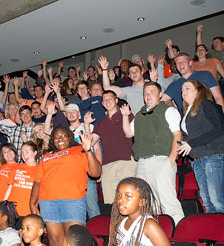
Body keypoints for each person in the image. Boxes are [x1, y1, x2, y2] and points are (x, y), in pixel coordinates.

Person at [30, 125, 102, 246]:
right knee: (55, 242)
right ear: (52, 140)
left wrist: (88, 150)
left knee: (74, 243)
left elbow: (96, 173)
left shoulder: (79, 150)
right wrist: (32, 202)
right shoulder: (46, 156)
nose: (60, 139)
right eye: (56, 137)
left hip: (72, 201)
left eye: (63, 136)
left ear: (69, 137)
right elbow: (37, 181)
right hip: (48, 203)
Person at [122, 82, 184, 224]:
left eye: (152, 92)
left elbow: (178, 135)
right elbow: (128, 133)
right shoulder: (139, 114)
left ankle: (178, 234)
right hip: (142, 163)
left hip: (161, 160)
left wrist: (171, 160)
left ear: (160, 94)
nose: (148, 95)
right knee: (147, 205)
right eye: (145, 93)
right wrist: (125, 116)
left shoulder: (168, 111)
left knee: (168, 201)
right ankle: (155, 236)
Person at [178, 80, 224, 213]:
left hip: (213, 156)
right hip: (197, 160)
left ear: (198, 92)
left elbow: (219, 128)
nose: (183, 92)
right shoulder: (187, 112)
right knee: (207, 202)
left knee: (217, 201)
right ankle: (213, 233)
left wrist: (191, 143)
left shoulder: (207, 105)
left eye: (187, 88)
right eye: (182, 90)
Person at [90, 90, 137, 204]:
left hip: (126, 161)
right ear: (102, 103)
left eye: (110, 98)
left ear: (116, 100)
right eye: (104, 99)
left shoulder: (127, 115)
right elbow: (90, 143)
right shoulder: (100, 124)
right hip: (108, 166)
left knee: (129, 200)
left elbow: (132, 133)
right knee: (111, 202)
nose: (107, 101)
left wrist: (125, 115)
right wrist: (87, 124)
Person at [106, 177, 172, 246]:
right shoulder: (120, 225)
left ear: (142, 202)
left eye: (127, 196)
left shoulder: (149, 225)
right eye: (119, 195)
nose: (120, 200)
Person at [4, 142, 39, 221]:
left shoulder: (40, 170)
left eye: (27, 151)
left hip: (28, 212)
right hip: (12, 211)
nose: (24, 155)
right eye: (22, 152)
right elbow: (10, 188)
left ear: (35, 153)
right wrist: (3, 205)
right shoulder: (17, 168)